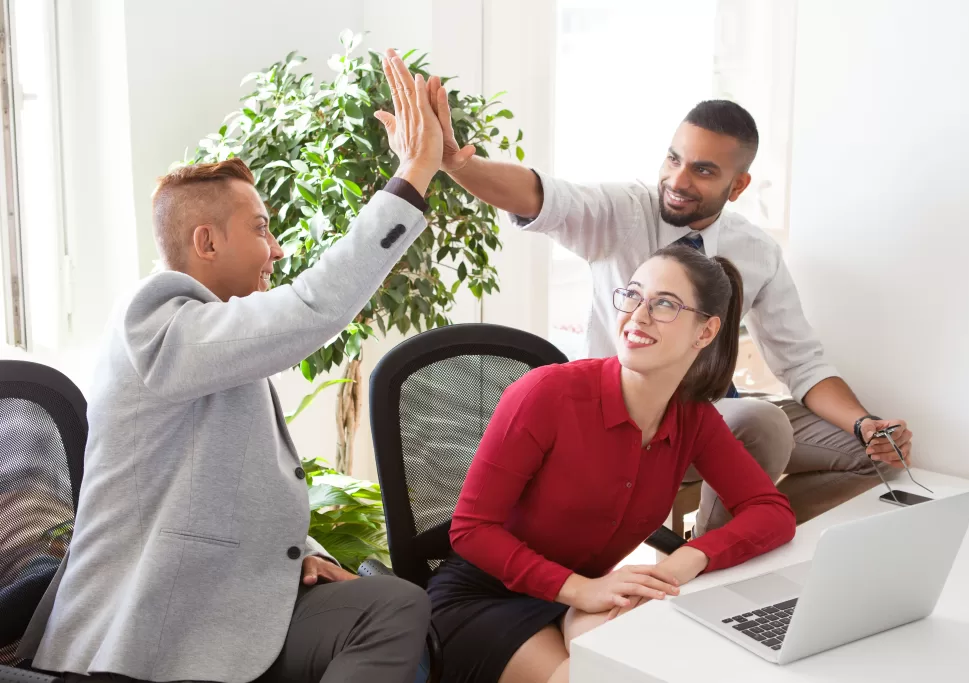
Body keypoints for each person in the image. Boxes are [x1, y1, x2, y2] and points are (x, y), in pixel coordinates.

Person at [16, 49, 439, 683]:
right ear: (206, 241)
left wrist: (303, 552)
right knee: (391, 611)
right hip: (151, 632)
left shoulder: (210, 335)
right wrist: (413, 172)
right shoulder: (153, 320)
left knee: (391, 607)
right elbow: (314, 308)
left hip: (225, 600)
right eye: (261, 229)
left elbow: (227, 487)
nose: (276, 248)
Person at [424, 80, 913, 529]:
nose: (678, 180)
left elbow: (802, 361)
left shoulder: (757, 252)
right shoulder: (623, 213)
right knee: (760, 422)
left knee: (873, 454)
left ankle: (730, 541)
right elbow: (541, 196)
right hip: (626, 421)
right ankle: (715, 569)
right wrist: (458, 165)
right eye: (673, 159)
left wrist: (863, 423)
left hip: (711, 410)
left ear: (738, 185)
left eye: (703, 170)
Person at [427, 245, 797, 683]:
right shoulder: (547, 394)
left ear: (706, 331)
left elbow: (771, 512)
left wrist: (685, 559)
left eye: (664, 304)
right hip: (485, 596)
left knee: (654, 668)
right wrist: (584, 589)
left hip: (582, 595)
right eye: (634, 296)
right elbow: (470, 530)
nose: (638, 316)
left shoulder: (692, 418)